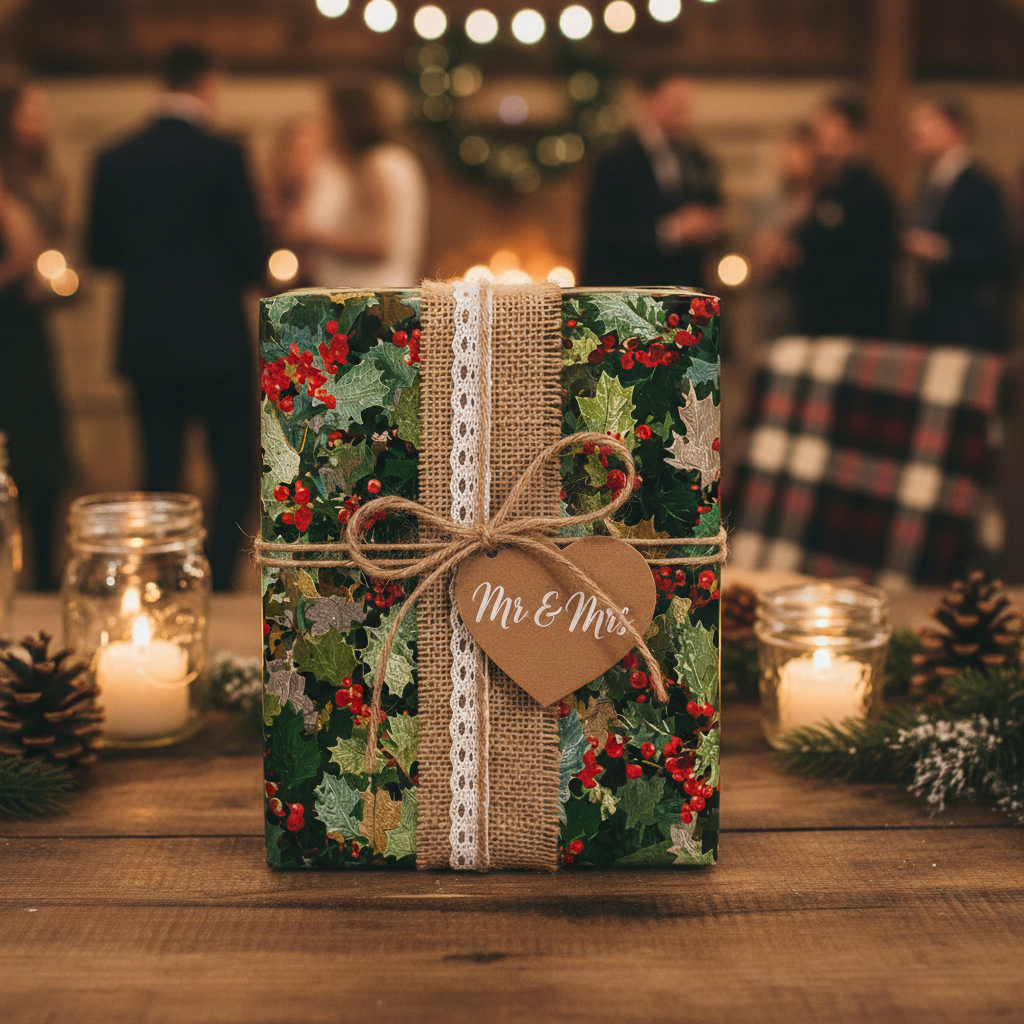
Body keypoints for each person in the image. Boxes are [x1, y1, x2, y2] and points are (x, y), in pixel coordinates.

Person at [87, 44, 266, 590]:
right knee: (234, 463)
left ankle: (163, 577)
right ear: (208, 82)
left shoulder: (114, 157)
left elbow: (99, 252)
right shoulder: (224, 155)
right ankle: (213, 573)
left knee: (159, 468)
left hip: (147, 336)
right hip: (215, 337)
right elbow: (250, 256)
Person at [0, 80, 70, 591]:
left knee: (41, 455)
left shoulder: (39, 181)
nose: (39, 126)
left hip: (27, 330)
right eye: (29, 115)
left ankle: (44, 574)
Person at [581, 73, 723, 289]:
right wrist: (670, 232)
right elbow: (601, 234)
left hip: (685, 292)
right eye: (675, 104)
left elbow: (714, 208)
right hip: (631, 290)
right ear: (648, 101)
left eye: (685, 106)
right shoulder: (615, 161)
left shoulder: (697, 159)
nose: (682, 113)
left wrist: (708, 226)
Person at [279, 85, 428, 288]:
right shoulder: (354, 167)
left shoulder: (379, 165)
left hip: (371, 299)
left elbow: (381, 245)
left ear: (344, 120)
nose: (322, 128)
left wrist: (311, 236)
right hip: (356, 296)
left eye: (326, 117)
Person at [903, 100, 1009, 351]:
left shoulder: (980, 186)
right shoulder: (928, 183)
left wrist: (943, 250)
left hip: (963, 316)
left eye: (929, 125)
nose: (919, 133)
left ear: (956, 129)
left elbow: (997, 251)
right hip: (926, 311)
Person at [793, 98, 895, 338]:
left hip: (853, 327)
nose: (826, 150)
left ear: (857, 139)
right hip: (815, 322)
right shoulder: (822, 189)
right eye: (821, 140)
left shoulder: (871, 195)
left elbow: (867, 268)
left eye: (835, 141)